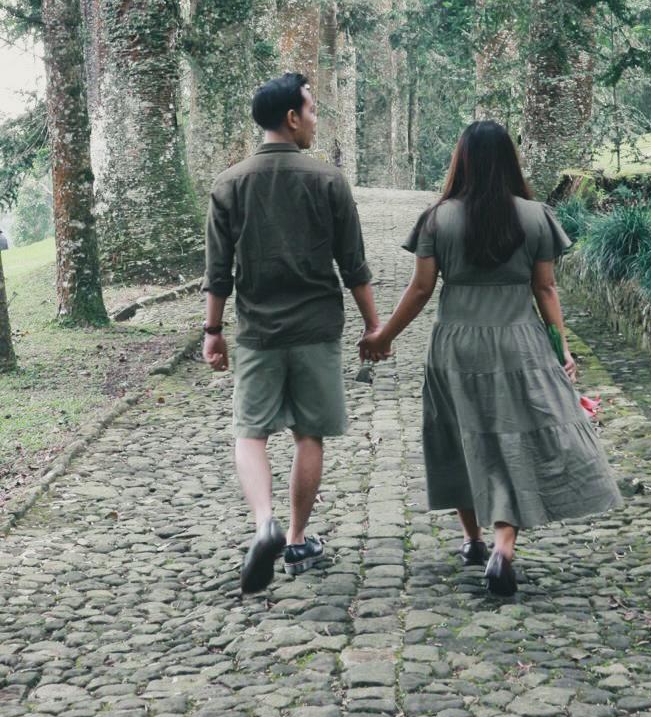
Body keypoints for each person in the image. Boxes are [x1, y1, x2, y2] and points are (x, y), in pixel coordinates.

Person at [360, 119, 622, 596]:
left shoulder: (437, 219)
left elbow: (420, 290)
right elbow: (545, 288)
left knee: (461, 433)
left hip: (456, 344)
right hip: (520, 342)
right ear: (509, 161)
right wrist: (561, 348)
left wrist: (384, 336)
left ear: (461, 161)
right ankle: (504, 545)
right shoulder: (536, 216)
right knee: (514, 436)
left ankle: (472, 539)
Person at [201, 72, 382, 595]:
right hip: (316, 328)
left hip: (257, 330)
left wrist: (212, 331)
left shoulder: (229, 184)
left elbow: (217, 272)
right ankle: (298, 539)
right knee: (309, 434)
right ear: (291, 118)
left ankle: (265, 524)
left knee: (250, 432)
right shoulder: (328, 181)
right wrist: (374, 325)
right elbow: (353, 265)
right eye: (312, 109)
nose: (315, 119)